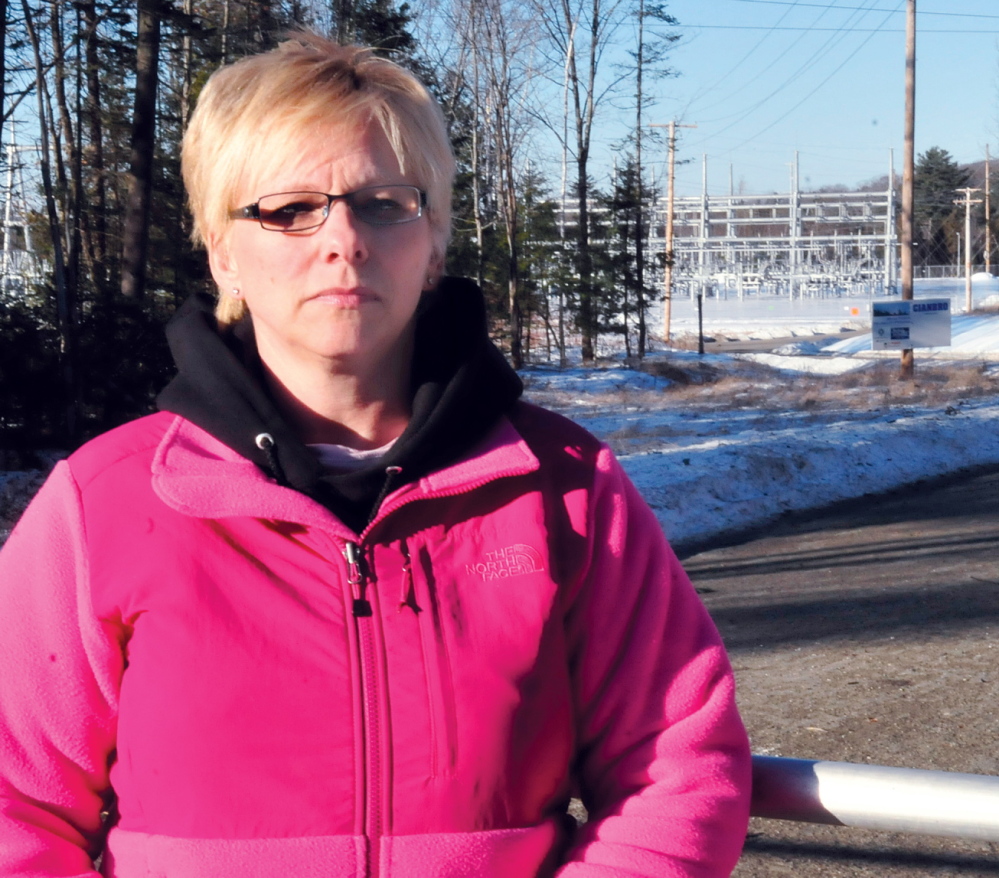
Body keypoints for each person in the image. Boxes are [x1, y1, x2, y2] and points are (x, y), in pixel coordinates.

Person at [0, 32, 751, 877]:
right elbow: (14, 807)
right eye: (287, 209)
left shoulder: (564, 489)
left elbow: (677, 769)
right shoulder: (103, 505)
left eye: (386, 203)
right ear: (222, 252)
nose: (344, 240)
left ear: (434, 243)